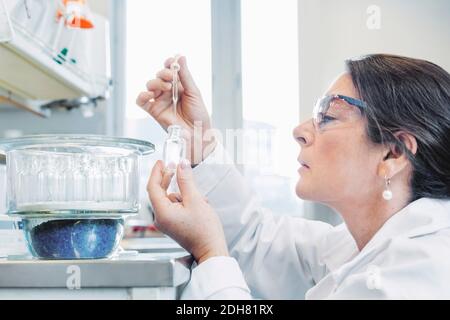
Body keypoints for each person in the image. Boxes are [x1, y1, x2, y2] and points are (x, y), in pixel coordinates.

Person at [136, 54, 450, 299]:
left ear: (393, 153)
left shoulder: (417, 275)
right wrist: (199, 141)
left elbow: (233, 245)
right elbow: (255, 240)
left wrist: (210, 254)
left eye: (327, 117)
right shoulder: (356, 246)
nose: (299, 131)